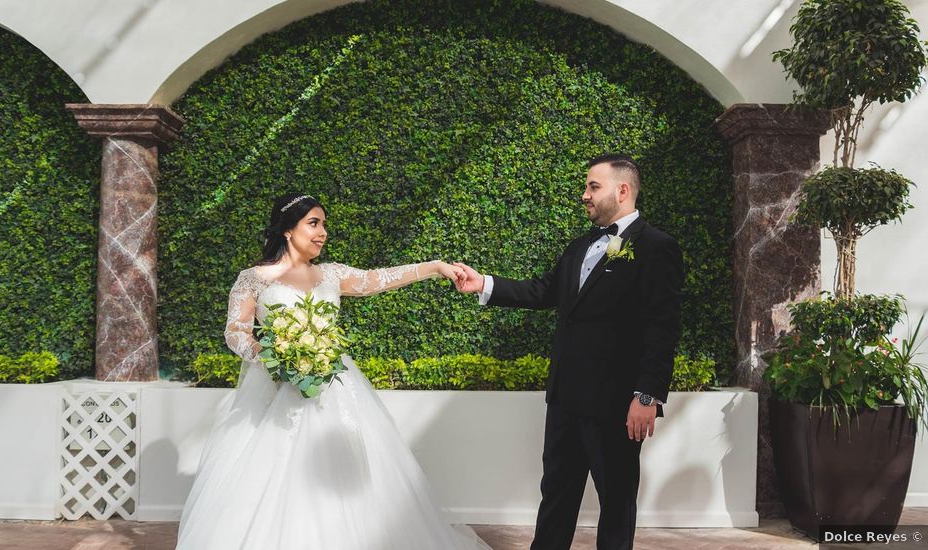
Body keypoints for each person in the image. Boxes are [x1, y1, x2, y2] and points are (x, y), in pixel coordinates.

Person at [176, 193, 490, 550]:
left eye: (324, 224)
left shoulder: (331, 274)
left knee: (352, 475)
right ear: (287, 229)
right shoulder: (254, 279)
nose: (323, 232)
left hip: (337, 389)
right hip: (275, 392)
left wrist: (434, 267)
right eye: (314, 223)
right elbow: (236, 331)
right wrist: (274, 356)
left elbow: (378, 279)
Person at [454, 154, 683, 550]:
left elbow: (662, 327)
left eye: (593, 186)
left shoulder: (657, 247)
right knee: (556, 495)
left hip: (616, 404)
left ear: (622, 190)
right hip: (565, 398)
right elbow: (544, 291)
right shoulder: (580, 245)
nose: (585, 195)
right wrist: (484, 284)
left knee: (616, 502)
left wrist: (646, 395)